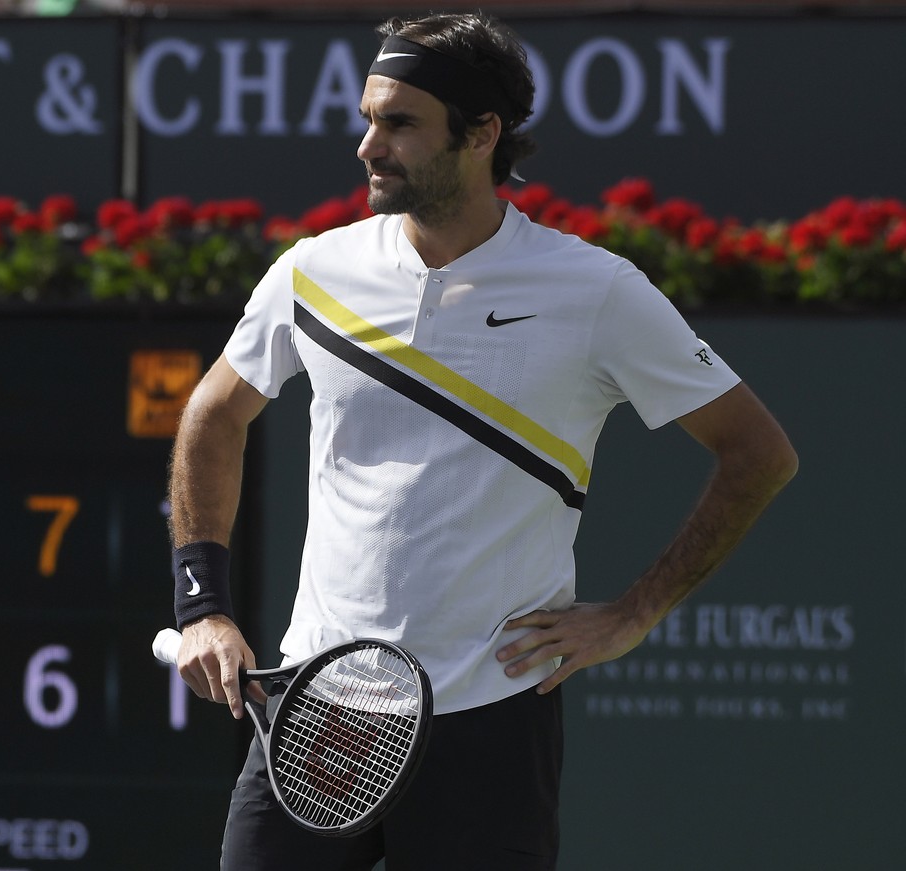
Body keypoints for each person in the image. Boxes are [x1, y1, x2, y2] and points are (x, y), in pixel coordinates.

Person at [166, 11, 798, 870]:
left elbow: (759, 453)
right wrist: (202, 602)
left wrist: (634, 611)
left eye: (398, 123)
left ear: (482, 134)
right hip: (318, 708)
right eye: (367, 118)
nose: (367, 145)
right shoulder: (313, 271)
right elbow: (213, 413)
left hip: (492, 722)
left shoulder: (596, 290)